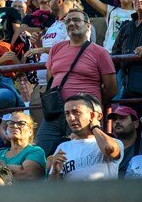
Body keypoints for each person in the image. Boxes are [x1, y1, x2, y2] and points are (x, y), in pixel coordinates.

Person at [37, 9, 117, 156]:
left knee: (77, 156)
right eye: (67, 21)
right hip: (55, 111)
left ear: (88, 25)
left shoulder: (100, 52)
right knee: (42, 154)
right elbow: (51, 78)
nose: (71, 23)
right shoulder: (56, 48)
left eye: (76, 20)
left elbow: (111, 88)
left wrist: (90, 104)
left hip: (84, 116)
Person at [48, 93, 122, 180]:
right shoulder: (63, 147)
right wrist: (55, 172)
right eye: (67, 114)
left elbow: (109, 149)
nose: (71, 118)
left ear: (94, 116)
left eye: (76, 112)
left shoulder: (114, 142)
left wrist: (95, 126)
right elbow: (53, 189)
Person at [0, 111, 46, 180]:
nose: (15, 126)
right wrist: (18, 168)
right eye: (11, 123)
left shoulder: (36, 151)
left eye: (21, 123)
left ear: (30, 131)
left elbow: (28, 175)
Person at [109, 105, 141, 178]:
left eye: (122, 118)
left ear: (136, 124)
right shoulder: (108, 145)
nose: (117, 122)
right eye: (114, 119)